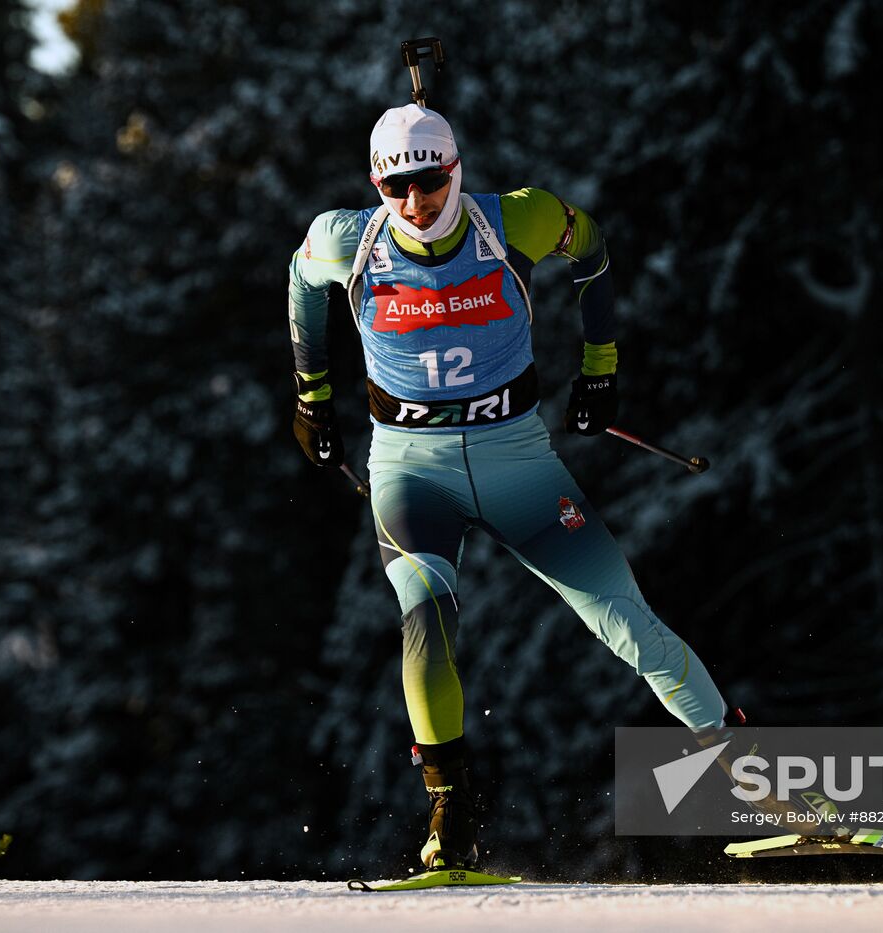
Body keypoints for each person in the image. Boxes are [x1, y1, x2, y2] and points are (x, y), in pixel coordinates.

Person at [286, 103, 732, 870]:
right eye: (395, 189)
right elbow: (300, 277)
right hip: (408, 468)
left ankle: (758, 779)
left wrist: (601, 367)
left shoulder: (516, 220)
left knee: (626, 623)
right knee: (424, 619)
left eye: (429, 183)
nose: (414, 204)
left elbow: (589, 246)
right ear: (375, 184)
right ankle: (451, 814)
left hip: (516, 460)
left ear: (455, 170)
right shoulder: (346, 240)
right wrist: (310, 394)